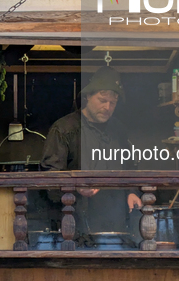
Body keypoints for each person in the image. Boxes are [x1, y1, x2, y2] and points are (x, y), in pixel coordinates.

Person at [40, 67, 142, 245]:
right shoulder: (64, 129)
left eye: (112, 103)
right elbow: (49, 177)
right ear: (87, 96)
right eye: (102, 100)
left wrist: (132, 192)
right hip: (76, 224)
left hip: (116, 223)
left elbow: (130, 167)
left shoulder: (119, 130)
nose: (107, 107)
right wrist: (76, 187)